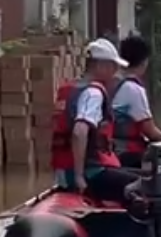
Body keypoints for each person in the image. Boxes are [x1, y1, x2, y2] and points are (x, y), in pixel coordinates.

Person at [51, 38, 142, 204]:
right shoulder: (93, 93)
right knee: (151, 183)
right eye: (113, 66)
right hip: (91, 172)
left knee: (136, 174)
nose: (116, 72)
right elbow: (79, 132)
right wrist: (79, 177)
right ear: (100, 66)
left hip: (64, 171)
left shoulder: (70, 89)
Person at [111, 34, 161, 167]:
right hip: (125, 153)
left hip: (109, 150)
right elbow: (150, 131)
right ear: (145, 61)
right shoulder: (133, 89)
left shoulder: (111, 82)